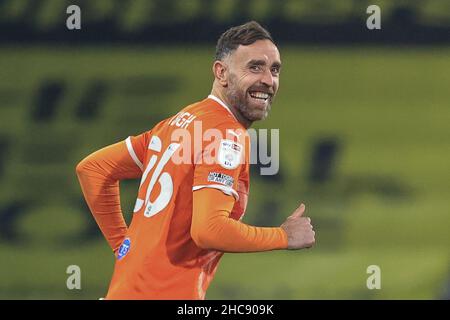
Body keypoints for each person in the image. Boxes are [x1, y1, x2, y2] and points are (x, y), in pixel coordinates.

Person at [76, 21, 315, 300]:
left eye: (274, 69)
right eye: (255, 67)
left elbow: (93, 169)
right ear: (221, 73)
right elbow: (208, 230)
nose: (268, 80)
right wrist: (283, 236)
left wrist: (123, 248)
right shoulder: (224, 133)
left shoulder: (178, 123)